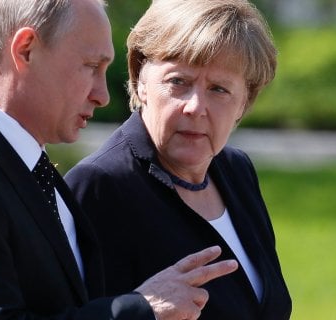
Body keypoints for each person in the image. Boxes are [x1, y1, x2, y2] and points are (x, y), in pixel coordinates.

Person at [0, 0, 240, 319]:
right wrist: (142, 308)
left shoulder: (26, 166)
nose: (102, 95)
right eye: (90, 66)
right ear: (26, 50)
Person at [65, 0, 292, 318]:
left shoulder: (235, 169)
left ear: (244, 102)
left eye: (219, 89)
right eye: (178, 82)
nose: (195, 106)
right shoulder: (101, 185)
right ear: (141, 80)